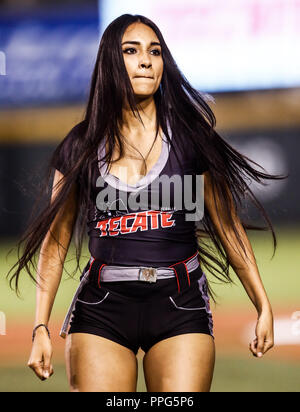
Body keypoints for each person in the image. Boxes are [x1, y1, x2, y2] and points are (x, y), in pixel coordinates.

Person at [7, 14, 287, 393]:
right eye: (131, 50)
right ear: (111, 61)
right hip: (103, 307)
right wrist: (40, 326)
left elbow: (226, 226)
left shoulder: (190, 139)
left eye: (155, 51)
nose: (146, 60)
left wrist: (262, 304)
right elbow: (55, 243)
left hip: (181, 303)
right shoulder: (81, 145)